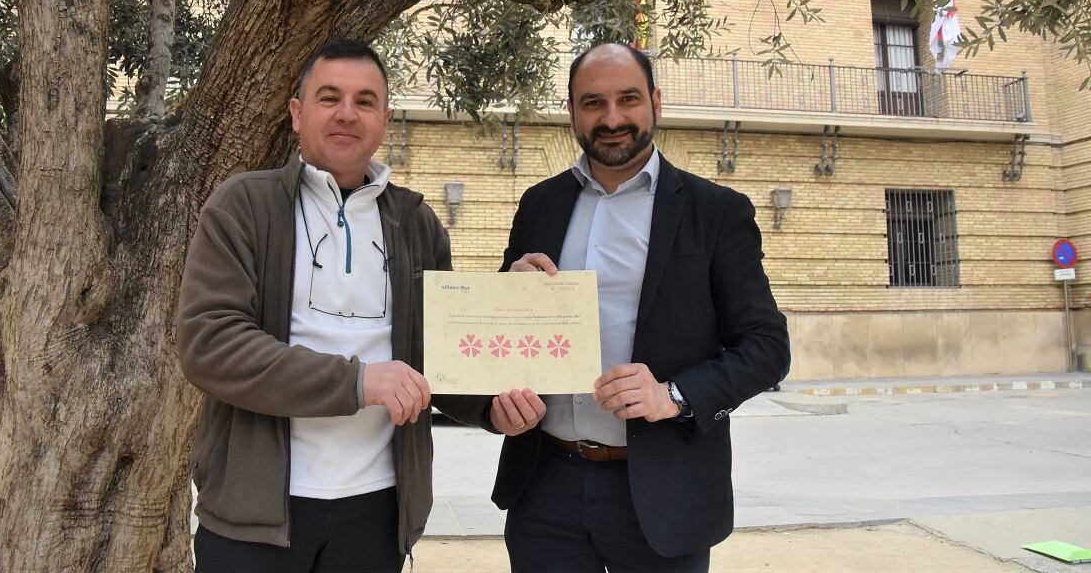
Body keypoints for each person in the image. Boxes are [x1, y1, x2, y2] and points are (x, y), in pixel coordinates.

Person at [176, 40, 493, 572]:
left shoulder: (418, 225)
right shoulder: (243, 207)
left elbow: (440, 356)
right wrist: (359, 382)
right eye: (329, 98)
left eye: (365, 101)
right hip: (255, 516)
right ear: (297, 114)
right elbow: (209, 345)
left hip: (378, 511)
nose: (347, 113)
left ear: (385, 119)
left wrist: (492, 404)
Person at [490, 42, 791, 573]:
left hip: (664, 493)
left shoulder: (716, 212)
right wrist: (508, 302)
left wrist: (673, 395)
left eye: (628, 99)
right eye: (592, 103)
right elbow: (506, 339)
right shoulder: (539, 204)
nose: (612, 119)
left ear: (655, 102)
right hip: (545, 488)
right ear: (571, 111)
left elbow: (767, 348)